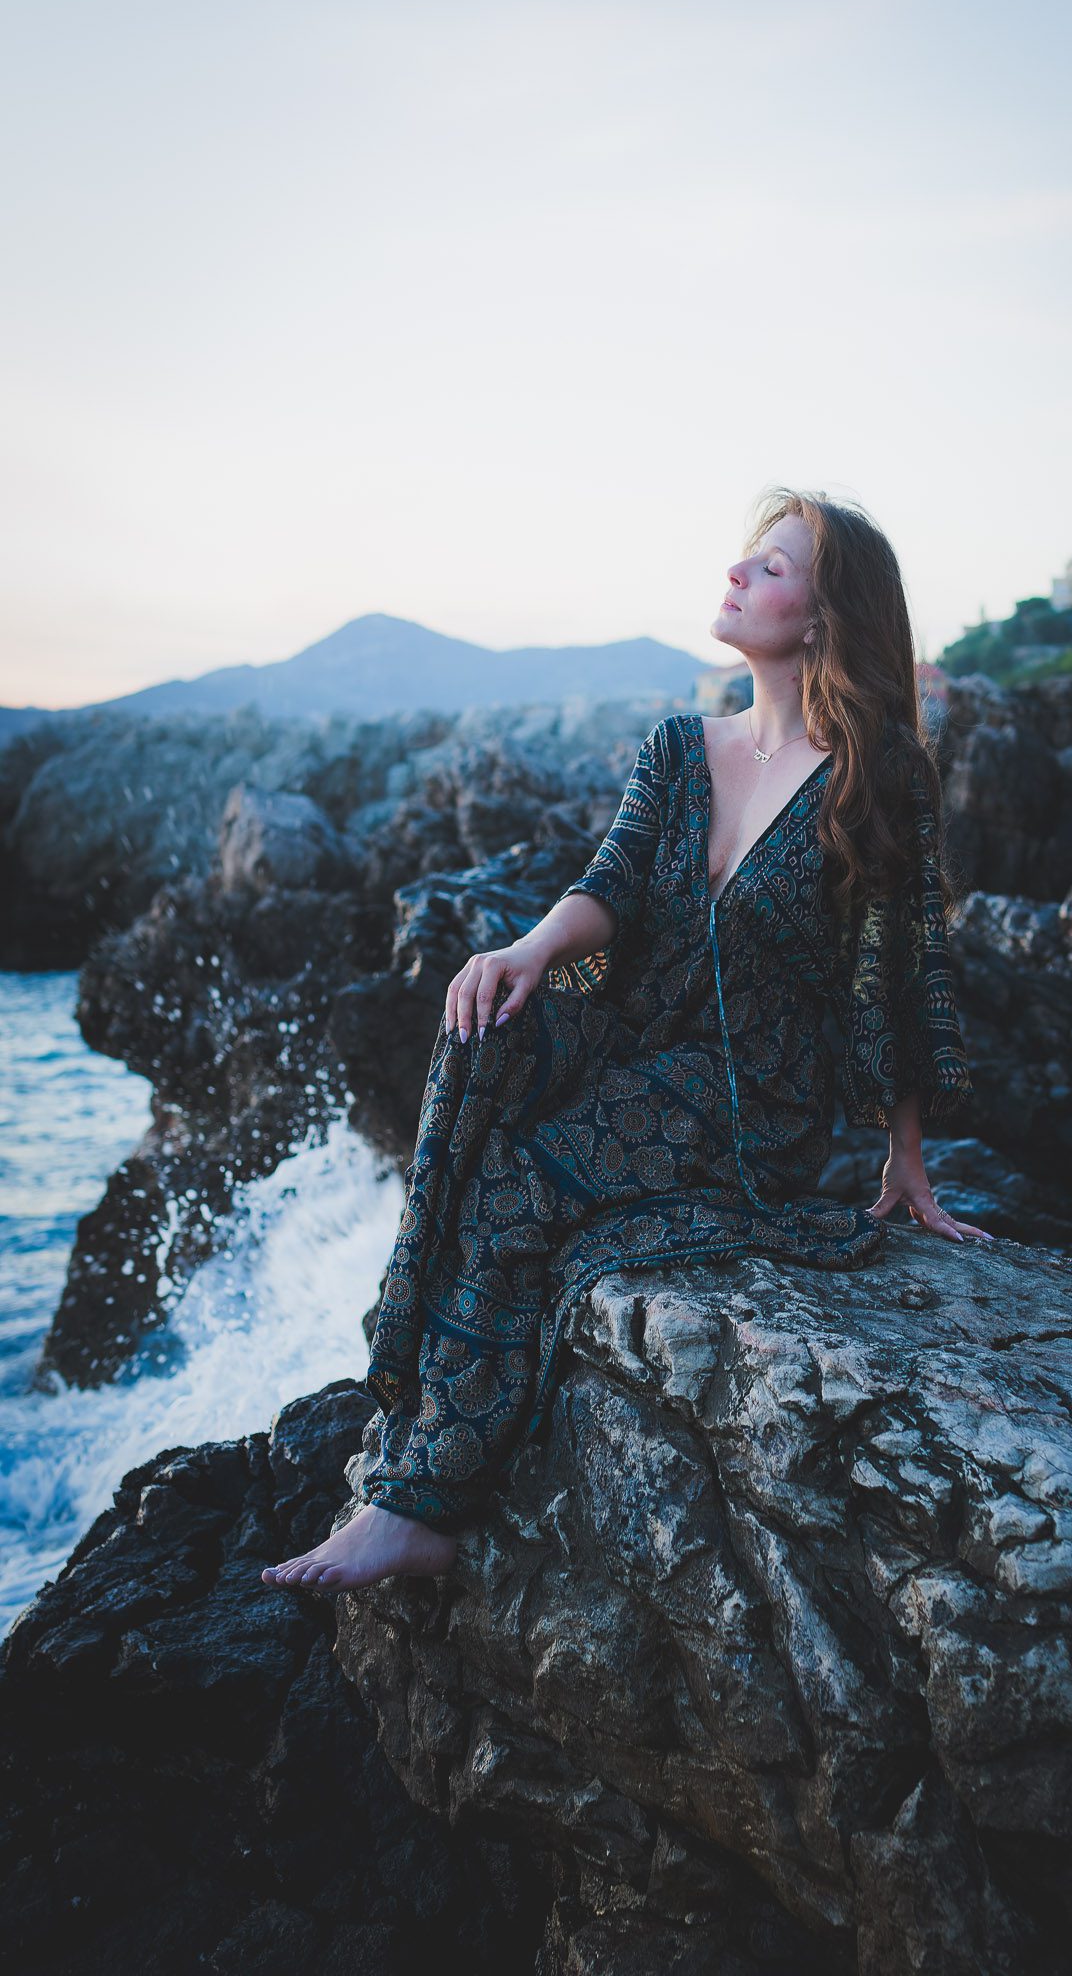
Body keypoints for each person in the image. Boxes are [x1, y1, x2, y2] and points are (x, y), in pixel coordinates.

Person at [261, 486, 993, 1595]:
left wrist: (905, 1158)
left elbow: (900, 966)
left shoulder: (875, 772)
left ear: (822, 617)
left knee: (517, 1179)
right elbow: (607, 887)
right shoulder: (677, 745)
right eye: (747, 558)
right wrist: (523, 951)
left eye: (775, 568)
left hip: (748, 1090)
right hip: (629, 1031)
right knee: (477, 1040)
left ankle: (424, 1504)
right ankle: (403, 1372)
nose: (740, 575)